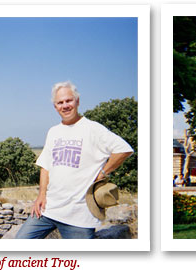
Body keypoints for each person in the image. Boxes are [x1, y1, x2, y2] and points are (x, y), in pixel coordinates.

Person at [16, 81, 133, 239]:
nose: (65, 105)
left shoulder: (93, 129)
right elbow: (45, 166)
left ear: (77, 101)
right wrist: (41, 195)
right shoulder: (53, 132)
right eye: (60, 102)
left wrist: (104, 171)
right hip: (48, 210)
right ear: (55, 106)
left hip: (79, 216)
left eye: (69, 100)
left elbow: (124, 149)